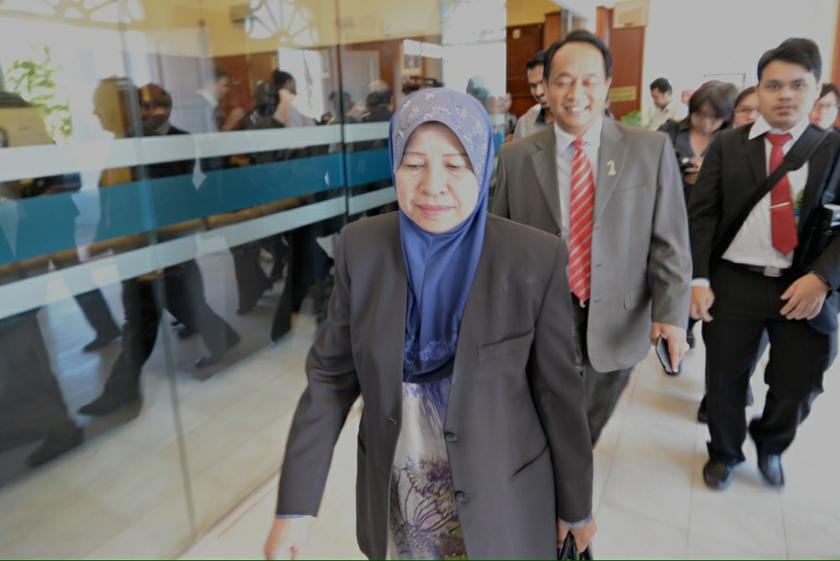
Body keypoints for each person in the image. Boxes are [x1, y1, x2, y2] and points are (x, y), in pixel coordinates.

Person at [263, 89, 595, 559]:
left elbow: (559, 395)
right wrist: (294, 511)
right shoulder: (362, 248)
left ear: (483, 167)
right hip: (401, 497)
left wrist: (577, 507)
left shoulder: (532, 258)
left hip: (502, 499)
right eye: (414, 164)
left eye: (456, 165)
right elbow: (329, 381)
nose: (432, 185)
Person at [492, 30, 691, 445]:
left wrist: (671, 315)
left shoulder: (649, 150)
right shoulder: (516, 156)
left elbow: (669, 240)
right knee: (543, 420)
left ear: (606, 86)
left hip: (620, 316)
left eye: (589, 80)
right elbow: (498, 244)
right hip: (542, 315)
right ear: (545, 88)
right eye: (563, 80)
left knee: (587, 429)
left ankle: (573, 487)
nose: (575, 92)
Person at [689, 38, 840, 490]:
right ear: (758, 91)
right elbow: (702, 215)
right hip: (735, 283)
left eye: (798, 85)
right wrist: (697, 278)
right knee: (724, 379)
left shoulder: (833, 149)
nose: (785, 95)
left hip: (805, 288)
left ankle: (771, 444)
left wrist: (823, 278)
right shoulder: (727, 146)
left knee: (800, 384)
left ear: (815, 91)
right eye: (773, 85)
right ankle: (725, 451)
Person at [78, 82, 241, 416]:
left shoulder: (152, 144)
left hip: (153, 248)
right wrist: (102, 236)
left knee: (141, 320)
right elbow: (114, 197)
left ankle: (121, 391)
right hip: (142, 248)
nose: (95, 113)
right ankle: (223, 337)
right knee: (178, 301)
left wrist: (161, 252)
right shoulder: (123, 144)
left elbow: (166, 200)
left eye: (100, 105)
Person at [513, 50, 553, 140]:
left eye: (543, 83)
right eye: (532, 86)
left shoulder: (578, 120)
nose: (538, 92)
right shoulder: (524, 124)